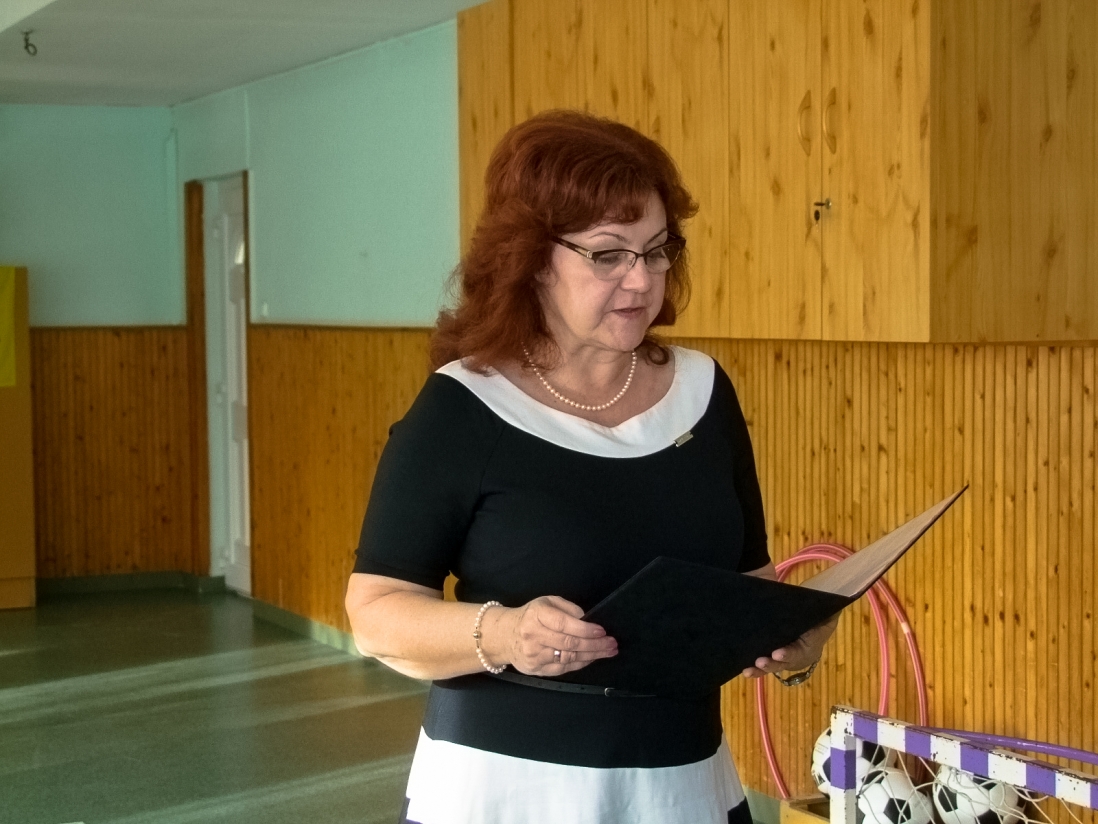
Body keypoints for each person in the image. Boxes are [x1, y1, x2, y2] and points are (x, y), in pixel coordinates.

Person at [345, 110, 837, 824]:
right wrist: (505, 634)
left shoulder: (705, 392)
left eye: (657, 251)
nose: (641, 280)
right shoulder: (463, 408)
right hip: (508, 792)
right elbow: (376, 614)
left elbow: (747, 579)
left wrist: (793, 636)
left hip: (683, 785)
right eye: (608, 255)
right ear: (533, 259)